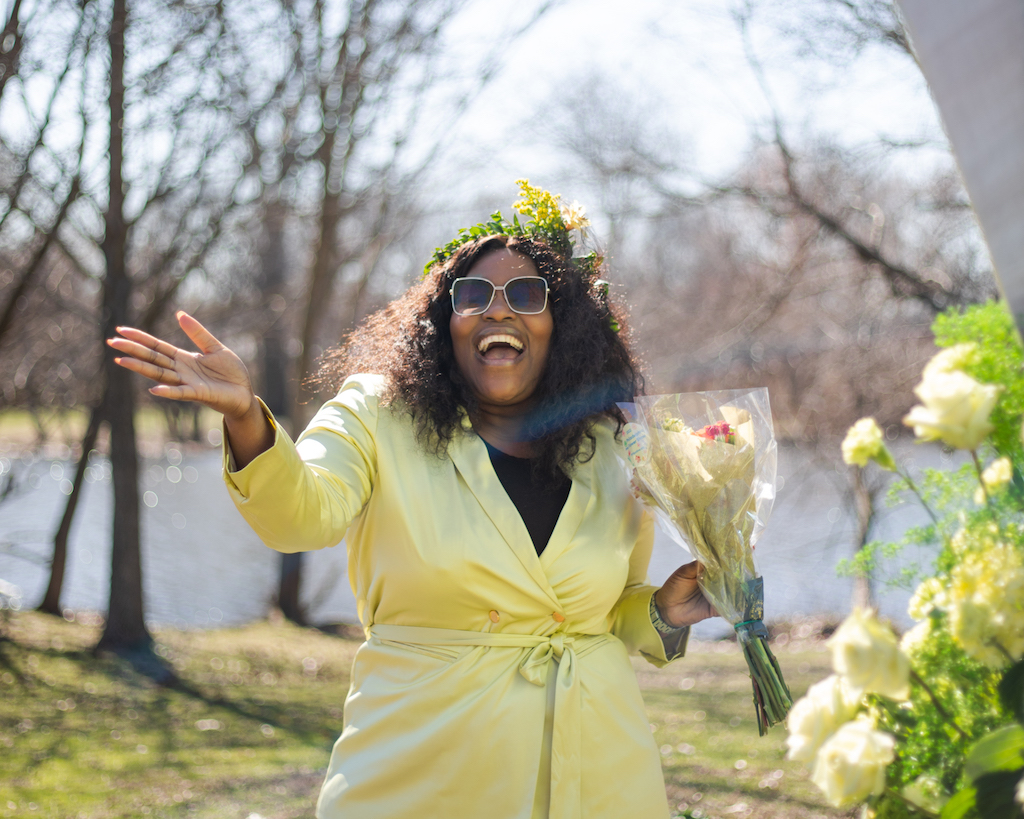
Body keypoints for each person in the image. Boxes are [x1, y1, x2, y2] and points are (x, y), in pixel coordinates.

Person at [108, 183, 717, 819]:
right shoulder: (376, 414)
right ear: (443, 322)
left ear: (561, 327)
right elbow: (300, 514)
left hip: (599, 778)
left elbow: (605, 616)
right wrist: (245, 420)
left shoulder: (612, 446)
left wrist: (667, 613)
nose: (497, 311)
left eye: (527, 295)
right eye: (474, 295)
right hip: (424, 777)